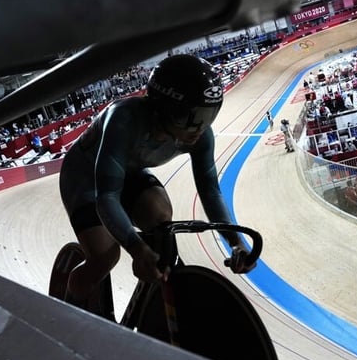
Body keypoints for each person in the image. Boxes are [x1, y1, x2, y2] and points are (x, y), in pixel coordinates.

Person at [54, 55, 254, 316]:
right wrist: (136, 248)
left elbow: (210, 190)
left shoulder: (200, 136)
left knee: (161, 220)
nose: (200, 128)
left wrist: (235, 242)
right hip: (84, 179)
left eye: (208, 116)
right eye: (191, 117)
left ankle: (148, 304)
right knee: (105, 255)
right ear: (164, 108)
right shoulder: (123, 119)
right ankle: (71, 309)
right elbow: (107, 197)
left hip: (126, 172)